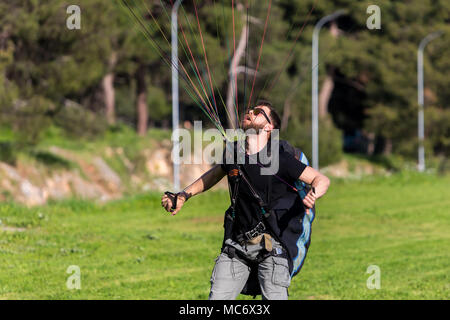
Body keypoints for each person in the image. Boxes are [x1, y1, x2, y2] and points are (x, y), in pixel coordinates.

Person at [161, 101, 330, 300]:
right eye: (250, 110)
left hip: (272, 247)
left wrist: (314, 192)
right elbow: (213, 175)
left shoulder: (280, 158)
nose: (250, 112)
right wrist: (183, 195)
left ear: (269, 127)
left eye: (258, 112)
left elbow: (321, 179)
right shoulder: (234, 152)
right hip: (237, 246)